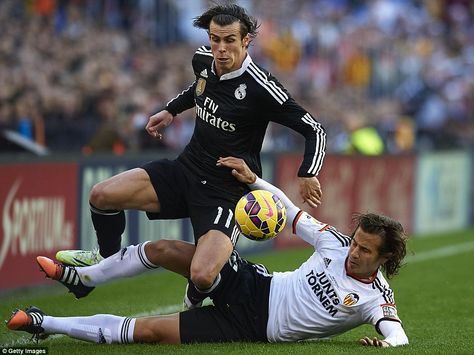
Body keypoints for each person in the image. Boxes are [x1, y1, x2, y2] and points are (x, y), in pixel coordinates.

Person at [55, 3, 326, 309]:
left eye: (229, 41)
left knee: (202, 274)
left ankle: (201, 292)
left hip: (227, 191)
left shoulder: (261, 87)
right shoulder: (203, 58)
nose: (220, 49)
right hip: (186, 169)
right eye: (215, 39)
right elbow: (198, 89)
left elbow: (314, 129)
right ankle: (104, 262)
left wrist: (307, 171)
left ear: (246, 40)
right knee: (102, 195)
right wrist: (171, 110)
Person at [8, 157, 408, 347]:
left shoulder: (376, 298)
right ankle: (86, 278)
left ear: (385, 259)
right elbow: (288, 210)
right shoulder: (335, 243)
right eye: (356, 242)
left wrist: (385, 345)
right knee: (164, 248)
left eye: (366, 251)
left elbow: (398, 335)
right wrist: (255, 180)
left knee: (146, 331)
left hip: (251, 330)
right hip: (254, 285)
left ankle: (46, 323)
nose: (354, 252)